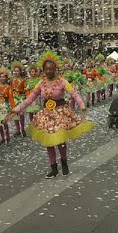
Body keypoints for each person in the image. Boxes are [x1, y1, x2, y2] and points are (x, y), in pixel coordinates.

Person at [6, 50, 96, 179]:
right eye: (46, 70)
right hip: (46, 115)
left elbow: (74, 94)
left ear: (56, 69)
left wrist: (82, 105)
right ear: (43, 70)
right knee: (48, 142)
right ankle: (53, 167)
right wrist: (17, 109)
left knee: (60, 141)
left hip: (60, 113)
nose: (49, 72)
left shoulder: (62, 82)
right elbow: (30, 98)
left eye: (51, 69)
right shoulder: (41, 83)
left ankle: (64, 163)